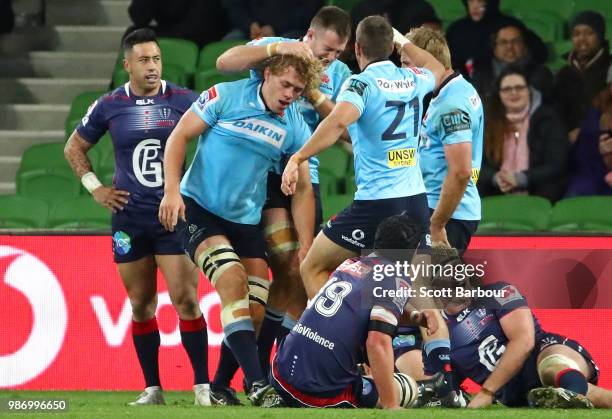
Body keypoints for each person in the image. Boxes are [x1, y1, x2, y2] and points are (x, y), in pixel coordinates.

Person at [158, 52, 320, 405]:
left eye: (298, 88)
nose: (291, 94)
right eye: (285, 84)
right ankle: (259, 384)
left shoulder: (293, 125)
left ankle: (218, 386)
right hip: (199, 209)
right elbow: (178, 137)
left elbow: (305, 187)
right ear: (267, 74)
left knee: (256, 309)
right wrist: (171, 191)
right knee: (232, 278)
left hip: (247, 221)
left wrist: (306, 242)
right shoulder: (225, 96)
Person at [64, 29, 211, 406]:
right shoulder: (109, 104)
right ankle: (152, 388)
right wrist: (95, 187)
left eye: (156, 59)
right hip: (128, 219)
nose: (152, 66)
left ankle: (201, 387)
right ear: (127, 64)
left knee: (186, 300)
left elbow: (218, 136)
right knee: (141, 304)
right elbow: (74, 147)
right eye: (144, 60)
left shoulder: (184, 100)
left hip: (173, 216)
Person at [214, 5, 352, 394]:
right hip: (259, 174)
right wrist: (275, 50)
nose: (331, 59)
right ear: (310, 34)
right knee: (257, 278)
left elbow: (345, 132)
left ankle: (266, 369)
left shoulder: (338, 76)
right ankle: (236, 376)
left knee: (294, 270)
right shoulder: (278, 49)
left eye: (338, 53)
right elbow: (225, 62)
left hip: (305, 177)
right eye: (326, 50)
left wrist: (315, 91)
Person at [281, 15, 445, 300]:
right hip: (417, 201)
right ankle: (438, 347)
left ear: (357, 48)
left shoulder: (361, 84)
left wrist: (297, 158)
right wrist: (402, 41)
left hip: (376, 205)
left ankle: (334, 339)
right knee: (419, 295)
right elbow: (437, 67)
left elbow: (336, 123)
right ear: (392, 48)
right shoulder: (413, 78)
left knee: (313, 267)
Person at [268, 215, 438, 409]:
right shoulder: (396, 277)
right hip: (315, 391)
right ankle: (426, 390)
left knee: (370, 366)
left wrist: (416, 317)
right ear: (412, 251)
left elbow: (370, 310)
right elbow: (377, 342)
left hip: (279, 372)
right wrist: (391, 406)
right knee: (406, 387)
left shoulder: (351, 263)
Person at [429, 248, 612, 409]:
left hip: (544, 351)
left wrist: (486, 392)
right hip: (518, 394)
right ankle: (569, 397)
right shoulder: (439, 330)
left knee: (551, 366)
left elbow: (524, 341)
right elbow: (444, 381)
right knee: (588, 395)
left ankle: (570, 394)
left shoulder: (497, 293)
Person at [401, 27, 483, 252]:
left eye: (406, 64)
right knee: (428, 284)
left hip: (447, 215)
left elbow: (461, 172)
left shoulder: (451, 105)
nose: (402, 71)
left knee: (424, 285)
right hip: (441, 209)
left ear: (428, 62)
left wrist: (437, 225)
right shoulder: (456, 89)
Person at [478, 67, 570, 202]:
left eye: (520, 87)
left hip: (540, 188)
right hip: (497, 188)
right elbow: (473, 164)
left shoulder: (548, 118)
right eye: (507, 89)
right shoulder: (488, 122)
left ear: (529, 91)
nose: (514, 92)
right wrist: (495, 178)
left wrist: (521, 178)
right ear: (499, 94)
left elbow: (557, 164)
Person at [554, 11, 611, 142]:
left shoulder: (610, 68)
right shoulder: (564, 73)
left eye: (589, 33)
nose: (582, 39)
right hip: (567, 143)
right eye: (576, 34)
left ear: (601, 36)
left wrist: (584, 131)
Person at [471, 22, 553, 101]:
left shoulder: (541, 73)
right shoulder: (481, 75)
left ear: (525, 47)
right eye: (503, 42)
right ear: (494, 48)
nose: (509, 47)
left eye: (516, 41)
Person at [565, 71, 612, 197]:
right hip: (595, 179)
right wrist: (600, 153)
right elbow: (582, 160)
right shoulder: (596, 116)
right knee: (577, 191)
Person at [445, 0, 520, 78]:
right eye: (471, 1)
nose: (475, 6)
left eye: (480, 1)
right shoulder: (456, 31)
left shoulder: (510, 27)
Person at [127, 0, 230, 48]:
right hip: (172, 32)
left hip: (205, 34)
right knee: (133, 33)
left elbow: (198, 27)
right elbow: (139, 18)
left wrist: (161, 37)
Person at [221, 0, 323, 41]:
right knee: (230, 40)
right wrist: (250, 25)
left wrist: (274, 28)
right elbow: (235, 7)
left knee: (283, 43)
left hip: (291, 29)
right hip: (252, 31)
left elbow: (309, 11)